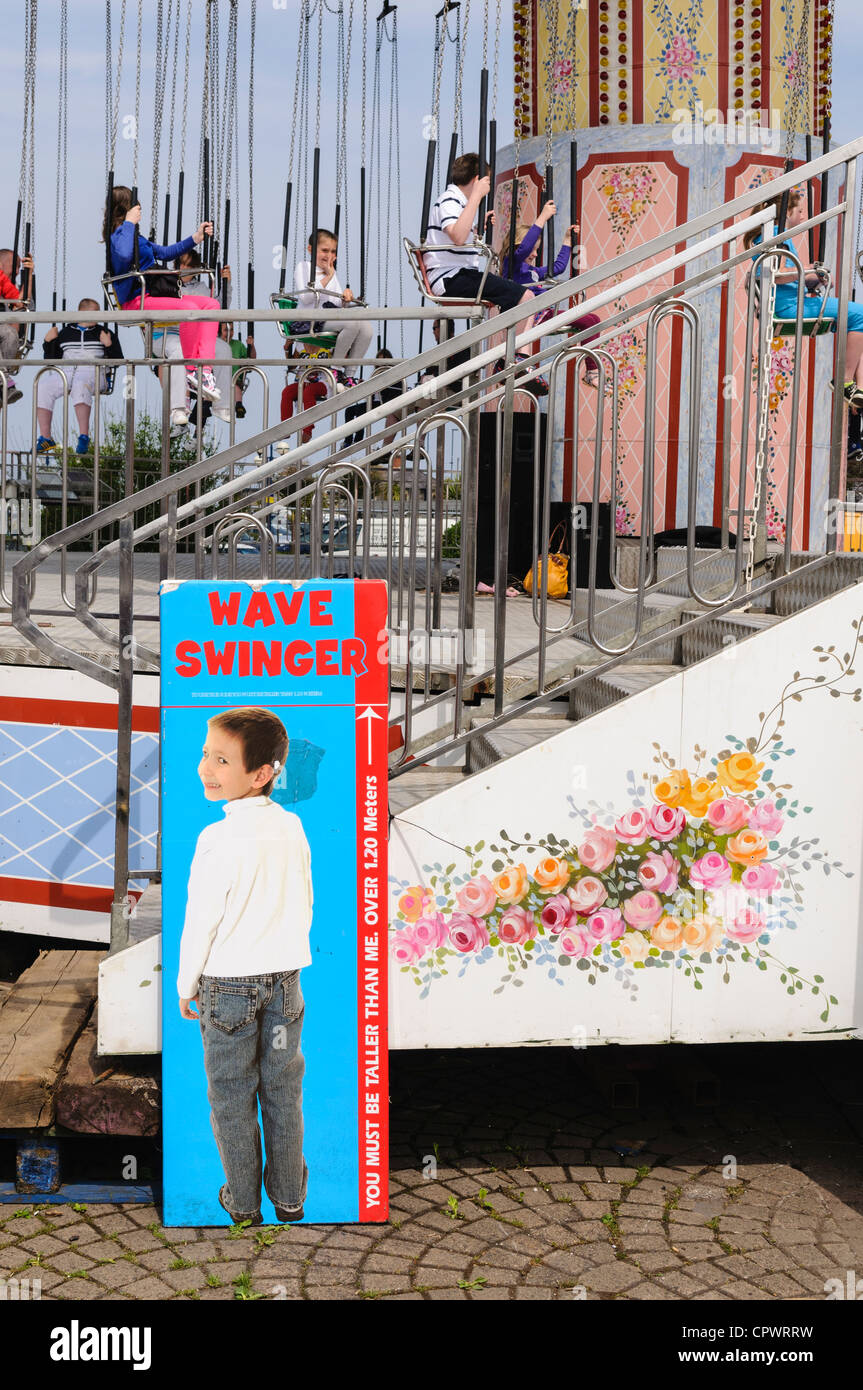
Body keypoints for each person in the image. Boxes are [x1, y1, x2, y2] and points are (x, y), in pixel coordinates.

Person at [177, 706, 312, 1227]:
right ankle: (289, 1199)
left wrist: (186, 985)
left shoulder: (217, 838)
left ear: (262, 774)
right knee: (282, 1090)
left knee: (232, 1097)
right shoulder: (293, 826)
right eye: (206, 755)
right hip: (285, 984)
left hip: (227, 989)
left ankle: (242, 1203)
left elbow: (201, 922)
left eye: (221, 760)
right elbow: (306, 898)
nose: (205, 768)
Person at [744, 190, 863, 408]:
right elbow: (778, 275)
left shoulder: (772, 237)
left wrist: (812, 278)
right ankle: (845, 382)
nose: (803, 215)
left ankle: (857, 386)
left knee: (856, 321)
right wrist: (807, 269)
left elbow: (786, 278)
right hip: (789, 307)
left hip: (790, 301)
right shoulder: (774, 238)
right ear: (787, 212)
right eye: (800, 210)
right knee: (860, 315)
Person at [103, 184, 221, 400]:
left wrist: (195, 237)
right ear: (127, 208)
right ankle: (191, 368)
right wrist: (129, 223)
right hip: (136, 300)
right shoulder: (118, 237)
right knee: (189, 309)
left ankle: (203, 371)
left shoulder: (137, 238)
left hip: (154, 295)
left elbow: (165, 253)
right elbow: (124, 256)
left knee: (211, 305)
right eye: (136, 207)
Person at [423, 152, 536, 344]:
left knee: (514, 296)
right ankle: (517, 356)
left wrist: (475, 228)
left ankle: (509, 352)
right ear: (477, 180)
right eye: (487, 181)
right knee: (526, 296)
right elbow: (458, 236)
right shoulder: (450, 200)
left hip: (457, 275)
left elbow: (458, 235)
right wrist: (476, 197)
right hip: (451, 278)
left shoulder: (457, 203)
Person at [502, 200, 603, 385]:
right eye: (532, 250)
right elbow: (524, 248)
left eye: (536, 250)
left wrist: (566, 240)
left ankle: (592, 371)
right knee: (590, 320)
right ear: (517, 246)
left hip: (546, 314)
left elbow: (557, 268)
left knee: (594, 320)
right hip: (534, 316)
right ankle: (592, 373)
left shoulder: (531, 272)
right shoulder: (512, 266)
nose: (534, 254)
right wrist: (543, 217)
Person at [35, 298, 123, 454]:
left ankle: (83, 436)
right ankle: (46, 438)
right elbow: (51, 359)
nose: (98, 318)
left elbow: (118, 360)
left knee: (80, 384)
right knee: (42, 387)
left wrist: (108, 344)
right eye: (95, 314)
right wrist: (48, 341)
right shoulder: (65, 333)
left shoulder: (104, 332)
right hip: (67, 371)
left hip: (94, 371)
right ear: (82, 313)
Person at [293, 228, 373, 385]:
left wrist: (346, 298)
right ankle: (335, 368)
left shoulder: (331, 273)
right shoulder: (304, 267)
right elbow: (307, 297)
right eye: (324, 250)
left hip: (326, 319)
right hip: (309, 322)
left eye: (332, 251)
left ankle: (349, 374)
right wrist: (329, 275)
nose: (328, 256)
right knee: (352, 323)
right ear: (311, 249)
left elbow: (336, 305)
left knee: (366, 328)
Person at [341, 347, 403, 449]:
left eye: (384, 361)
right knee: (349, 411)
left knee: (361, 411)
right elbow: (372, 393)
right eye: (379, 362)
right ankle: (348, 440)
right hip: (375, 402)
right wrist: (364, 385)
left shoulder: (393, 374)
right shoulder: (376, 374)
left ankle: (359, 437)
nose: (381, 365)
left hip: (385, 403)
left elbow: (396, 390)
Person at [0, 247, 34, 403]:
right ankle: (5, 383)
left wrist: (29, 275)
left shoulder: (3, 281)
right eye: (17, 267)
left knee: (10, 334)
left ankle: (3, 383)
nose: (18, 272)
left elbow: (20, 303)